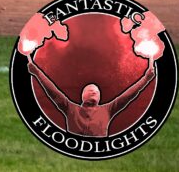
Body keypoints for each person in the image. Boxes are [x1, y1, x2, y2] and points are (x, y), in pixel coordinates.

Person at [26, 52, 156, 138]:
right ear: (83, 97)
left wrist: (146, 78)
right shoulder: (71, 108)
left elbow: (129, 95)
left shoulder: (108, 109)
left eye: (96, 91)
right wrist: (36, 72)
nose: (94, 91)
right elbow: (52, 91)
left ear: (99, 98)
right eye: (90, 90)